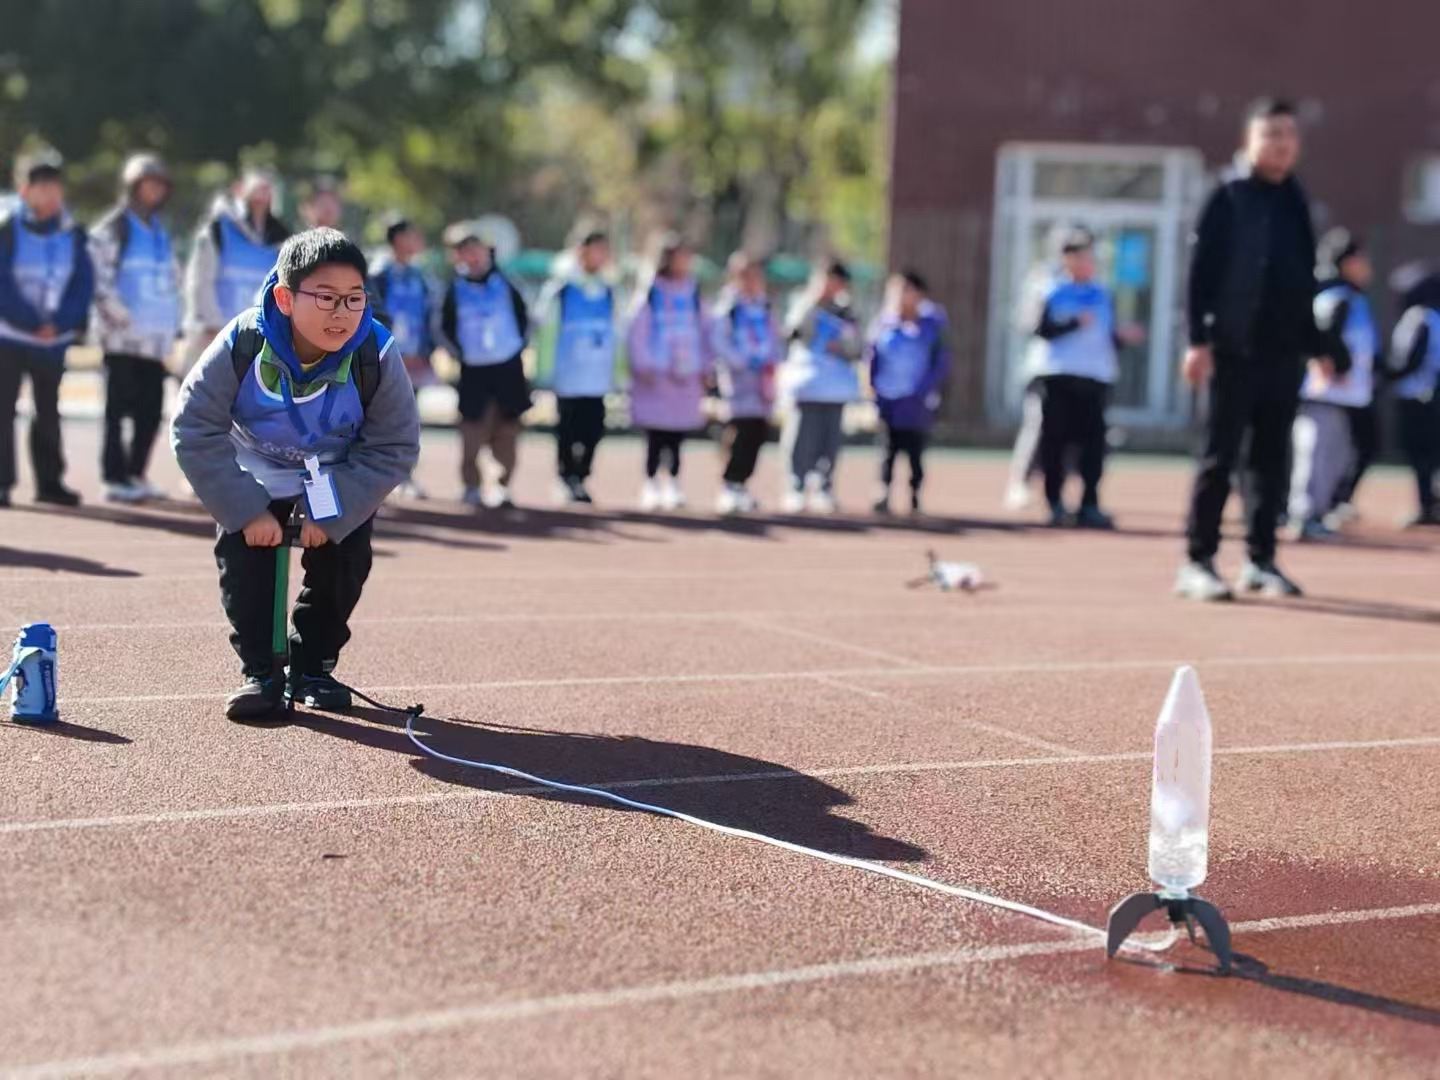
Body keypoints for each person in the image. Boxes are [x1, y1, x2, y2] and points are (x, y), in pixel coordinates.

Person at [171, 228, 420, 720]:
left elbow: (393, 445)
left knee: (346, 560)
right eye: (325, 298)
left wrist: (334, 514)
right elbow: (194, 427)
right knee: (244, 562)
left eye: (353, 299)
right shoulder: (243, 341)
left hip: (333, 476)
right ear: (285, 298)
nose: (341, 313)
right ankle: (261, 671)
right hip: (254, 472)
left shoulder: (376, 352)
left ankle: (313, 666)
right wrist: (245, 510)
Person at [1176, 99, 1326, 601]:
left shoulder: (1296, 200)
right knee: (1219, 457)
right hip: (1232, 350)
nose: (1281, 144)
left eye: (1288, 135)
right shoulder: (1227, 196)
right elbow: (1200, 275)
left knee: (1271, 461)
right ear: (1249, 141)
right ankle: (1198, 561)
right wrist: (1197, 340)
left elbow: (1305, 279)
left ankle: (1261, 560)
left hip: (1283, 354)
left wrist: (1316, 343)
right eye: (1270, 135)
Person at [1024, 226, 1142, 528]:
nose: (1084, 260)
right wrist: (1074, 323)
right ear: (1066, 259)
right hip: (1058, 374)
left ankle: (1089, 503)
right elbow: (1038, 329)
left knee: (1093, 444)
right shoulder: (1050, 289)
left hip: (1096, 375)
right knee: (1055, 442)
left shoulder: (1103, 292)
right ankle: (1054, 502)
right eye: (1076, 254)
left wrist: (1122, 336)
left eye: (1087, 254)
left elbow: (1107, 334)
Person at [0, 153, 94, 509]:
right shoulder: (7, 228)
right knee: (3, 411)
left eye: (56, 188)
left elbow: (82, 283)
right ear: (25, 191)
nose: (52, 195)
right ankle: (2, 483)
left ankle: (50, 482)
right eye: (43, 188)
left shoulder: (73, 232)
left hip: (53, 337)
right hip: (9, 334)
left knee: (49, 411)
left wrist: (61, 323)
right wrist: (30, 321)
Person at [90, 153, 182, 503]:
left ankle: (135, 473)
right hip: (122, 339)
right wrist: (120, 316)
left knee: (150, 410)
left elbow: (172, 279)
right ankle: (113, 477)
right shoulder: (114, 227)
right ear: (132, 185)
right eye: (147, 183)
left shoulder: (160, 231)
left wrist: (172, 324)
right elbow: (99, 278)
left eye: (159, 185)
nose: (154, 191)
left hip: (154, 341)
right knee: (116, 412)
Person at [1286, 228, 1376, 540]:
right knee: (1316, 454)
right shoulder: (1335, 297)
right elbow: (1324, 334)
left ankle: (1318, 513)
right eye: (1362, 259)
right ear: (1347, 262)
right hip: (1324, 392)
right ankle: (1304, 515)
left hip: (1345, 395)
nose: (1368, 266)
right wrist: (1337, 362)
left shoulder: (1354, 298)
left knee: (1335, 456)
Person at [437, 222, 531, 509]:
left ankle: (502, 486)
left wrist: (517, 348)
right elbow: (443, 328)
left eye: (476, 249)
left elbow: (526, 318)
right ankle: (471, 486)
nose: (473, 256)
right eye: (464, 252)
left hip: (508, 369)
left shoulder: (508, 283)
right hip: (473, 372)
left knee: (508, 432)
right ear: (457, 257)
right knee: (471, 433)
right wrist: (460, 355)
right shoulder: (452, 290)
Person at [626, 234, 711, 512]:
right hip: (657, 374)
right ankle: (650, 482)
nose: (685, 262)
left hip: (686, 374)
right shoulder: (651, 292)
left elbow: (705, 331)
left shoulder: (694, 293)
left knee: (677, 434)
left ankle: (673, 482)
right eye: (680, 256)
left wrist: (705, 366)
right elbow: (637, 331)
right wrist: (644, 363)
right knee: (656, 433)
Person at [534, 229, 617, 505]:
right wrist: (544, 373)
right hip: (568, 375)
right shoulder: (561, 289)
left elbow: (619, 332)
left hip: (598, 376)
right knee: (568, 429)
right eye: (597, 249)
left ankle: (581, 476)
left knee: (594, 429)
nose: (603, 255)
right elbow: (545, 332)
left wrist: (619, 373)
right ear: (581, 251)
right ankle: (566, 477)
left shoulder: (609, 289)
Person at [182, 169, 291, 375]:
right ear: (239, 190)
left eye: (267, 189)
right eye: (256, 188)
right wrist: (210, 323)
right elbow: (200, 279)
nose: (261, 196)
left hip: (258, 341)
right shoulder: (218, 229)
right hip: (216, 335)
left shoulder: (280, 238)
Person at [778, 260, 863, 513]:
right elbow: (791, 332)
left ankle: (823, 486)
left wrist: (844, 348)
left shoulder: (847, 312)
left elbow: (857, 347)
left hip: (835, 387)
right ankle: (796, 485)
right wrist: (812, 300)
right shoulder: (803, 304)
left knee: (830, 441)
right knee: (801, 437)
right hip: (807, 384)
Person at [867, 270, 950, 516]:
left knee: (915, 451)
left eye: (906, 290)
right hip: (889, 397)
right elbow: (871, 358)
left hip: (917, 399)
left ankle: (915, 495)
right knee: (887, 449)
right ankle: (883, 490)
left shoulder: (932, 326)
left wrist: (928, 389)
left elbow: (941, 361)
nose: (901, 297)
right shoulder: (883, 324)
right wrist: (873, 391)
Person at [709, 251, 782, 514]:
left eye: (755, 275)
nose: (751, 281)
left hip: (763, 382)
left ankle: (742, 484)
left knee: (757, 434)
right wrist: (741, 361)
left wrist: (770, 360)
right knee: (738, 434)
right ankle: (729, 484)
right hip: (738, 382)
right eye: (745, 276)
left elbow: (775, 338)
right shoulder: (728, 308)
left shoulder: (765, 307)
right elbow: (719, 342)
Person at [368, 216, 435, 499]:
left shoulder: (420, 276)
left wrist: (426, 350)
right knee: (378, 417)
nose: (418, 240)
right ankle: (373, 477)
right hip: (384, 357)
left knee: (408, 420)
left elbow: (429, 316)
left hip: (414, 359)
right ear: (398, 239)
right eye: (413, 235)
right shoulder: (378, 274)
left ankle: (404, 475)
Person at [1386, 286, 1440, 527]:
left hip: (1420, 397)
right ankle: (1429, 504)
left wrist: (1384, 375)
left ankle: (1427, 505)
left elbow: (1413, 360)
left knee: (1422, 455)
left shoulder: (1420, 317)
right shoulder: (1434, 316)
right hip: (1428, 395)